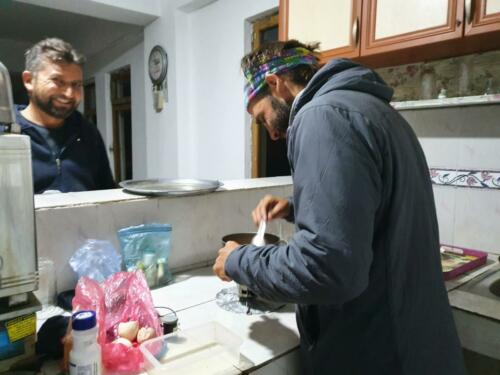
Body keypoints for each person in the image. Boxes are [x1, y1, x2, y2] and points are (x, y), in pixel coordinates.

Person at [213, 40, 466, 374]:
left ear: (274, 83)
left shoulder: (322, 117)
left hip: (379, 354)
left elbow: (326, 267)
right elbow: (375, 207)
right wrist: (295, 207)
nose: (272, 134)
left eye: (262, 118)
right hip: (419, 344)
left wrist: (237, 260)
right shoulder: (375, 112)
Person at [15, 37, 115, 194]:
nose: (69, 94)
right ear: (28, 80)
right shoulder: (6, 132)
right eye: (57, 81)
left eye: (76, 85)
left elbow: (107, 190)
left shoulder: (87, 132)